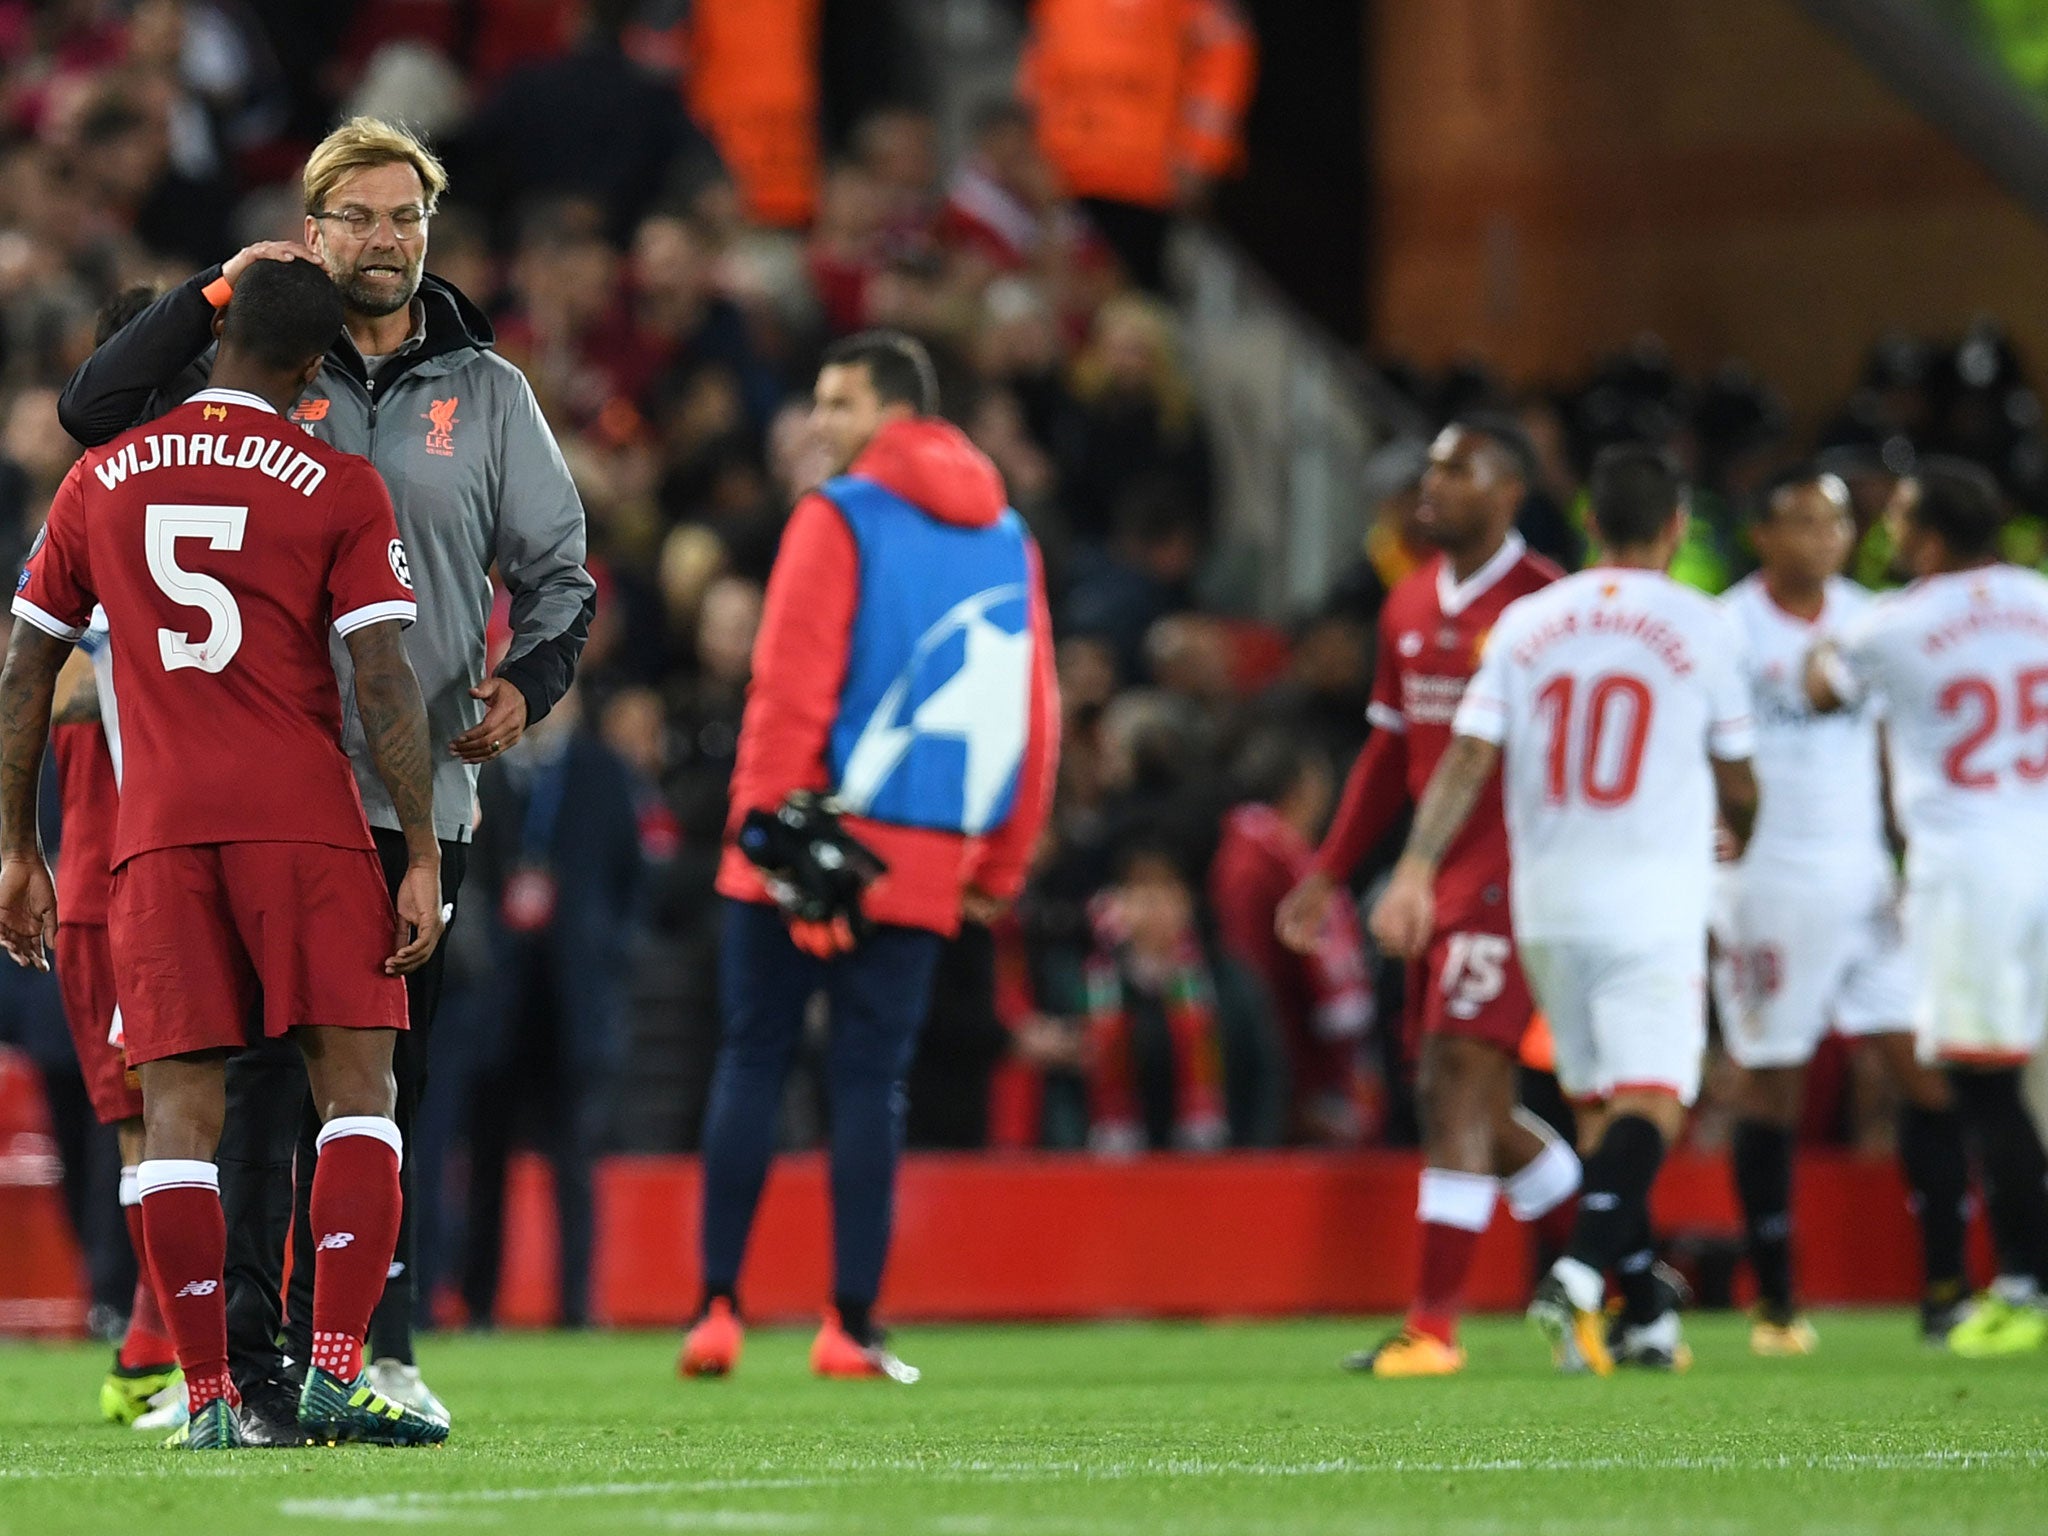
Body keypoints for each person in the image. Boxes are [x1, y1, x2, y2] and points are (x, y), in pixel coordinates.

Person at [56, 116, 596, 1428]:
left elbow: (559, 578)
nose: (384, 238)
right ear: (310, 230)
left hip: (419, 791)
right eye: (355, 216)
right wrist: (217, 289)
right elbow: (93, 416)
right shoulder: (237, 365)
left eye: (405, 216)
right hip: (258, 785)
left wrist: (533, 683)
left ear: (431, 231)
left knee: (388, 1088)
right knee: (244, 1088)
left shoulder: (493, 392)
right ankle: (240, 1370)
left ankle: (377, 1351)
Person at [0, 258, 447, 1449]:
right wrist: (417, 853)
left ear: (216, 339)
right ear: (312, 368)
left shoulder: (97, 480)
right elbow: (384, 680)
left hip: (153, 836)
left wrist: (17, 850)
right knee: (358, 1094)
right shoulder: (339, 483)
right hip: (301, 824)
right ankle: (338, 1367)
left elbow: (26, 667)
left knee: (178, 1120)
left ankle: (203, 1398)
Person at [678, 330, 1059, 1382]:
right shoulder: (1007, 537)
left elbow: (789, 687)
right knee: (869, 1085)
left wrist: (774, 845)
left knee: (752, 1059)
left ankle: (716, 1308)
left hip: (806, 839)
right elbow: (1031, 709)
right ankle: (851, 1324)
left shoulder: (835, 515)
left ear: (895, 409)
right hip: (927, 852)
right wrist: (1002, 863)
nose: (820, 423)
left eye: (838, 403)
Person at [1373, 443, 1760, 1377]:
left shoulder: (1530, 623)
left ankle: (1644, 1316)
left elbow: (1466, 758)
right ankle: (1584, 1273)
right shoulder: (1704, 625)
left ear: (1589, 524)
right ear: (1674, 528)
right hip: (1649, 897)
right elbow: (1738, 774)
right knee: (1652, 1105)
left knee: (1594, 1113)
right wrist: (1739, 829)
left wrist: (1416, 867)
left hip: (1544, 905)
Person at [1276, 420, 1581, 1378]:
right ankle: (1612, 1255)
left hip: (1516, 874)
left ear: (1511, 490)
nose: (1431, 482)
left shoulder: (1549, 605)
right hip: (1432, 875)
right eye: (1431, 464)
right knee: (1461, 1102)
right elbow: (1385, 752)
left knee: (1455, 1077)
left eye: (1457, 468)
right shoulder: (1406, 600)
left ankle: (1433, 1327)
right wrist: (1326, 870)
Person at [1714, 470, 1970, 1352]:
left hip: (1865, 877)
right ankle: (1776, 1303)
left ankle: (1947, 1294)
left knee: (1922, 1068)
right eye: (1805, 522)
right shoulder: (1728, 629)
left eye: (1837, 522)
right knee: (1774, 1081)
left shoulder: (1869, 619)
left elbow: (1898, 740)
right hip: (1770, 881)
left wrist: (1905, 857)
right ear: (1764, 536)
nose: (1826, 538)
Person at [1807, 458, 2048, 1360]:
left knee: (1984, 1084)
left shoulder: (1888, 627)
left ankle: (2026, 1286)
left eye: (1900, 520)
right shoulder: (2041, 599)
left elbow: (1819, 689)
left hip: (1970, 868)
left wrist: (1822, 657)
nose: (1887, 535)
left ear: (1931, 539)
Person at [1019, 0, 1257, 290]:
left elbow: (1226, 49)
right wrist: (1034, 152)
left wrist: (1201, 154)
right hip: (1064, 177)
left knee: (1137, 309)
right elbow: (1041, 66)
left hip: (1144, 180)